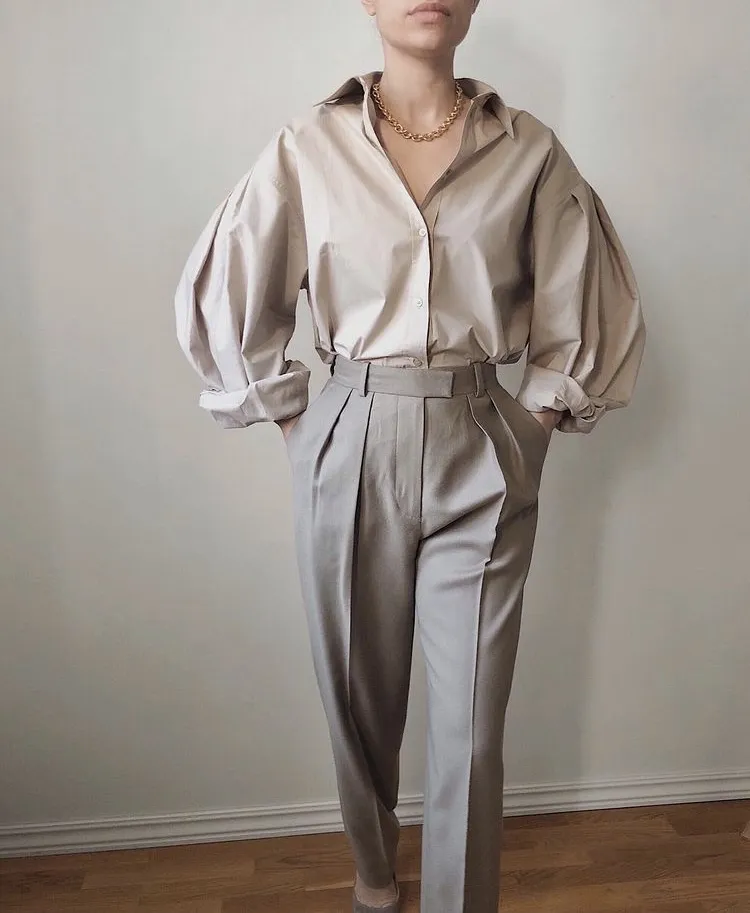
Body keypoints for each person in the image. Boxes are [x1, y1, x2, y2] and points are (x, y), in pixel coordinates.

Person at [173, 1, 646, 910]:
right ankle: (376, 882)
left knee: (471, 723)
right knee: (359, 699)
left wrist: (533, 429)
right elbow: (240, 292)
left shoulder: (530, 151)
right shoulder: (309, 147)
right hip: (350, 430)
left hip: (482, 435)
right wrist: (299, 424)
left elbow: (577, 298)